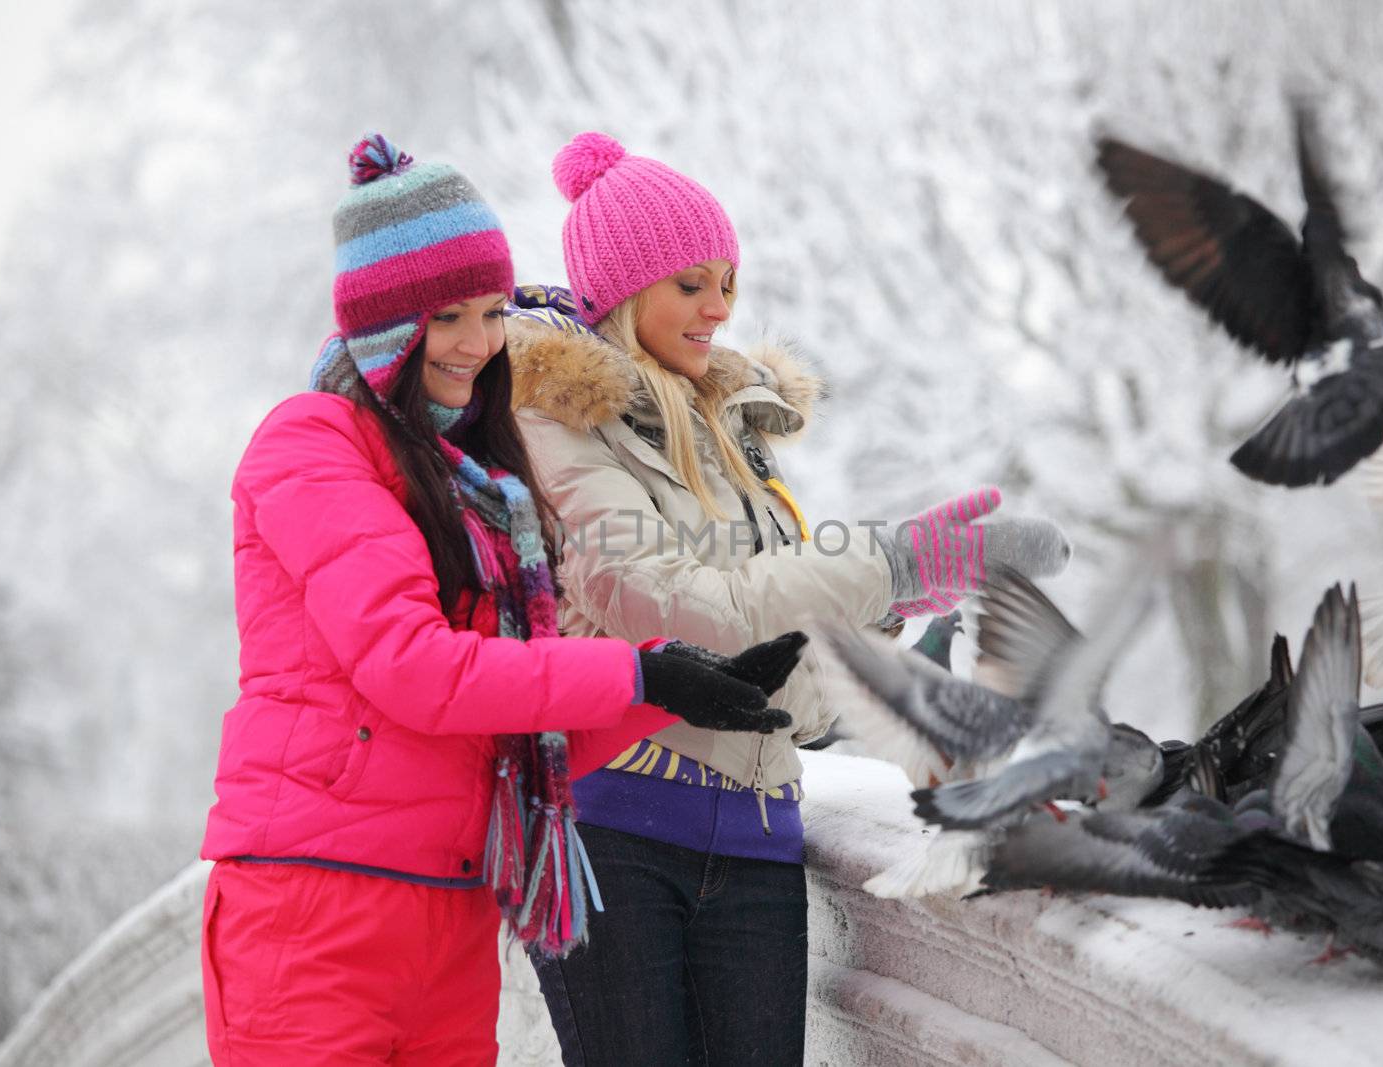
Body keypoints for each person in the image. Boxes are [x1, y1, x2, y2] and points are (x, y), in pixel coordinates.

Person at [197, 133, 805, 1067]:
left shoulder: (477, 487)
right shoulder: (310, 443)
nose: (480, 344)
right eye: (447, 317)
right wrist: (637, 667)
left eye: (491, 313)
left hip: (449, 915)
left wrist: (671, 693)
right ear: (381, 324)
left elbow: (518, 723)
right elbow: (415, 667)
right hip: (313, 904)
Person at [510, 131, 1071, 1065]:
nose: (719, 309)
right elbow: (674, 607)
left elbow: (771, 661)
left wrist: (887, 615)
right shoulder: (558, 423)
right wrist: (882, 563)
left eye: (727, 281)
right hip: (615, 833)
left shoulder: (734, 435)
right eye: (690, 284)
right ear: (622, 292)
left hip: (760, 837)